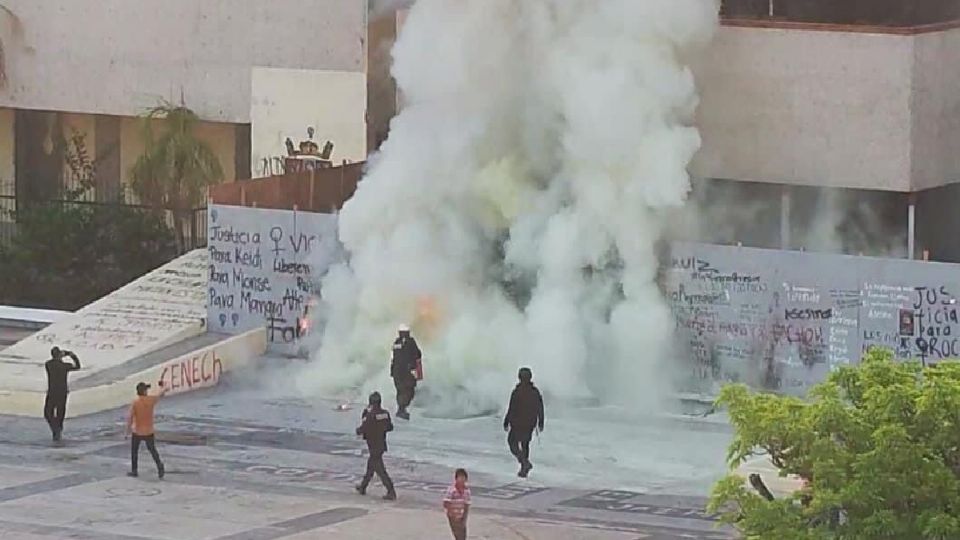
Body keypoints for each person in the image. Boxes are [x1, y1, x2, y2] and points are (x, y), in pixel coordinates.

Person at [355, 391, 397, 500]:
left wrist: (364, 416)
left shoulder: (370, 415)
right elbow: (390, 427)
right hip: (381, 444)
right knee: (371, 467)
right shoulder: (385, 413)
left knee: (380, 470)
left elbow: (362, 429)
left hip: (373, 445)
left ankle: (391, 490)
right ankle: (363, 486)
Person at [503, 367, 544, 478]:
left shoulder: (517, 392)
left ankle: (524, 462)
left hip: (517, 423)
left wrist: (506, 421)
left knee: (512, 443)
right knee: (525, 444)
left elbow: (512, 408)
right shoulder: (535, 392)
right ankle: (524, 467)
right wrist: (541, 421)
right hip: (530, 423)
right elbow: (540, 407)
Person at [125, 380, 168, 479]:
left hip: (137, 431)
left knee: (134, 451)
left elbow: (130, 418)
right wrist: (164, 386)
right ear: (144, 391)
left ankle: (134, 470)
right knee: (153, 450)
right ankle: (159, 466)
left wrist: (127, 432)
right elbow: (161, 393)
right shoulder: (150, 400)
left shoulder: (135, 403)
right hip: (149, 430)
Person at [44, 347, 81, 443]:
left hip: (52, 391)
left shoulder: (48, 364)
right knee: (60, 412)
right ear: (60, 355)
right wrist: (72, 355)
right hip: (62, 392)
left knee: (48, 412)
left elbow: (55, 362)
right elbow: (77, 366)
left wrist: (62, 355)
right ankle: (58, 429)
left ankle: (54, 428)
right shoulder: (65, 366)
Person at [390, 324, 421, 420]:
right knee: (409, 389)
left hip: (396, 371)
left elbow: (393, 357)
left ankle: (401, 409)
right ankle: (402, 409)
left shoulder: (396, 342)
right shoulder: (410, 342)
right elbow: (418, 354)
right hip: (406, 371)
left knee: (400, 390)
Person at [443, 468, 472, 540]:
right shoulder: (452, 490)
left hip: (461, 516)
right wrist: (451, 515)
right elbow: (446, 503)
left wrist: (464, 518)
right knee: (457, 535)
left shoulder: (467, 491)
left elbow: (467, 505)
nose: (462, 479)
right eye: (460, 477)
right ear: (456, 478)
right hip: (453, 516)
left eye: (463, 477)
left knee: (463, 535)